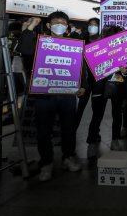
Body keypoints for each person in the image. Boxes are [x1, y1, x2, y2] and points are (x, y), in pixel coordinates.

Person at [18, 12, 87, 182]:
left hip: (67, 95)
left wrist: (82, 85)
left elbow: (81, 66)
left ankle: (68, 158)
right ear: (48, 25)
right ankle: (46, 163)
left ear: (67, 26)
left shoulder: (74, 44)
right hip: (44, 95)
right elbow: (24, 48)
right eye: (56, 22)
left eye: (63, 22)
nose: (59, 24)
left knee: (69, 128)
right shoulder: (41, 42)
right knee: (44, 130)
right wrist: (31, 27)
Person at [86, 26, 127, 159]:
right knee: (97, 115)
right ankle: (92, 142)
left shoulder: (125, 50)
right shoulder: (97, 49)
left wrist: (124, 71)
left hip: (118, 85)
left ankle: (115, 140)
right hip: (99, 87)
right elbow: (90, 71)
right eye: (113, 38)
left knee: (117, 114)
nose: (116, 41)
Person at [75, 17, 101, 128]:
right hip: (84, 80)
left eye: (95, 25)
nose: (92, 27)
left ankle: (94, 134)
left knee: (97, 110)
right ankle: (72, 133)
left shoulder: (104, 41)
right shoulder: (82, 40)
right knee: (79, 108)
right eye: (90, 24)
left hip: (98, 80)